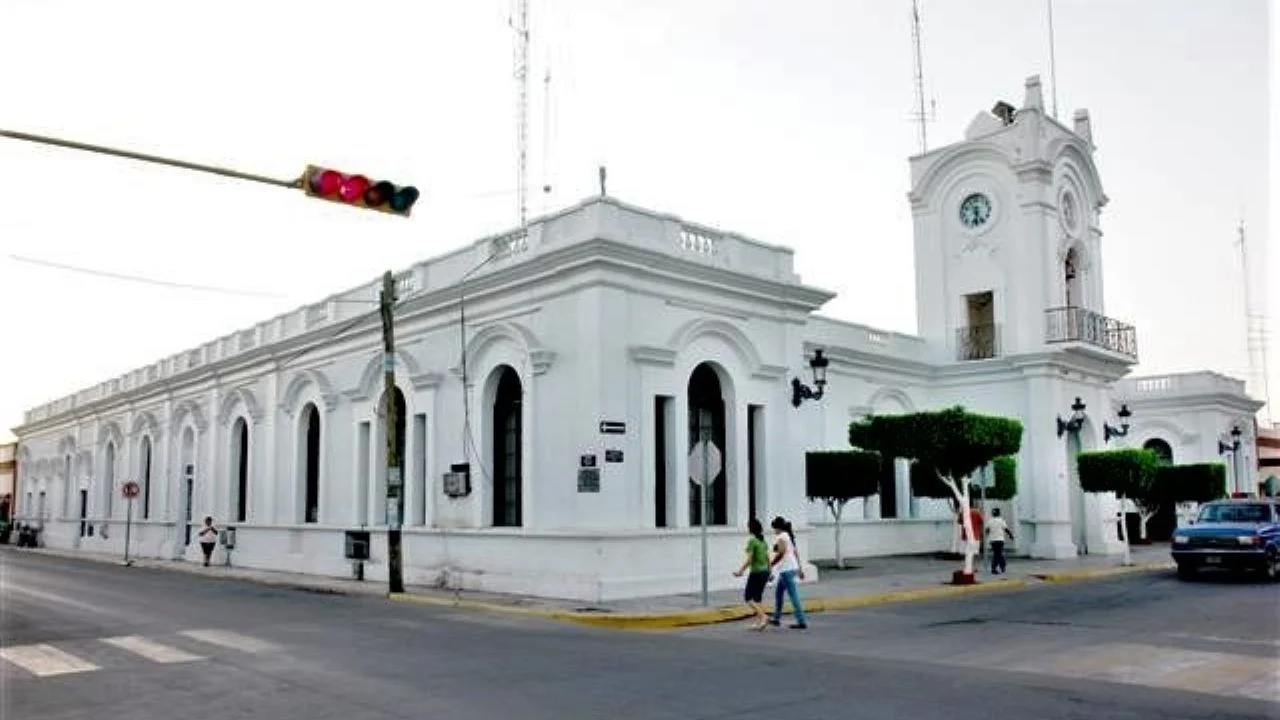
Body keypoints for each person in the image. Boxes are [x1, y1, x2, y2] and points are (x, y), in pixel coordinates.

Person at [767, 516, 808, 629]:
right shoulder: (788, 536)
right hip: (790, 568)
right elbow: (794, 553)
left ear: (778, 528)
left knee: (793, 595)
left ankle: (801, 621)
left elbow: (781, 553)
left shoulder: (781, 537)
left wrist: (771, 564)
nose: (774, 531)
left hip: (786, 570)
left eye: (774, 528)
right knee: (779, 593)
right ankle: (776, 618)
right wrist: (800, 569)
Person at [732, 518, 772, 630]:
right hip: (765, 572)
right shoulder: (763, 541)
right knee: (757, 598)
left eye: (748, 526)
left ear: (751, 528)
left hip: (757, 572)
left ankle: (763, 617)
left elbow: (749, 560)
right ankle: (760, 622)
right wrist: (770, 571)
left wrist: (740, 571)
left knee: (748, 597)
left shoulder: (752, 541)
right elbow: (767, 558)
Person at [986, 508, 1014, 574]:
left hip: (993, 540)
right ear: (999, 513)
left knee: (996, 554)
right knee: (998, 554)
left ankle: (999, 567)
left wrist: (988, 536)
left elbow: (987, 530)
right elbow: (1006, 529)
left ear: (992, 513)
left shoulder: (990, 521)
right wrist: (1011, 535)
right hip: (1000, 540)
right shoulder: (1001, 520)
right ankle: (1000, 566)